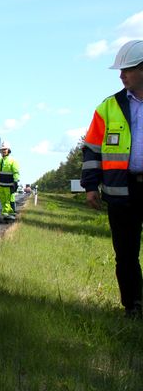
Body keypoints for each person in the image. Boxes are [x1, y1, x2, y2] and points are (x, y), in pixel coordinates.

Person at [82, 39, 143, 319]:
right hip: (121, 192)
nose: (121, 75)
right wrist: (90, 186)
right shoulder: (108, 108)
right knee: (126, 255)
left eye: (127, 69)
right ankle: (133, 306)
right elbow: (92, 150)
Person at [0, 142, 20, 221]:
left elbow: (16, 173)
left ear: (8, 150)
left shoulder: (12, 161)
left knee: (9, 200)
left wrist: (16, 182)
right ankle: (6, 214)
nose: (3, 151)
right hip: (0, 185)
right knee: (3, 200)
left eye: (5, 149)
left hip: (9, 185)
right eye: (2, 149)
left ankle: (10, 214)